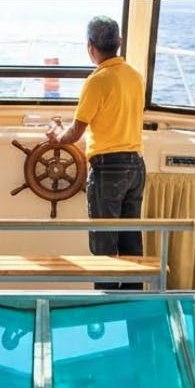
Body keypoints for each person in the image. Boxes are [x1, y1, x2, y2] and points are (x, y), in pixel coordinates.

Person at [47, 15, 145, 288]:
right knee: (130, 242)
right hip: (136, 167)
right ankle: (133, 301)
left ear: (90, 46)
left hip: (108, 169)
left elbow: (74, 133)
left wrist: (56, 135)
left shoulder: (96, 81)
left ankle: (107, 304)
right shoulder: (135, 77)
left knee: (103, 245)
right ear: (119, 42)